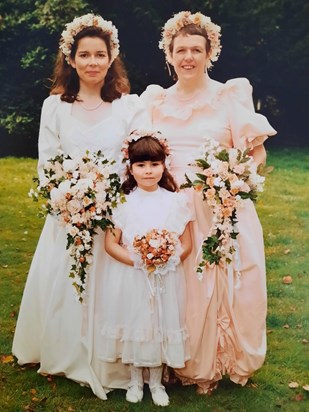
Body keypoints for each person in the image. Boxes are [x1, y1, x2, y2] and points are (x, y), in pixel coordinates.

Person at [12, 13, 148, 400]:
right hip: (69, 215)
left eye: (99, 55)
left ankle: (112, 355)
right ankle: (64, 348)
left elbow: (137, 159)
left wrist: (113, 202)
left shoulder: (128, 106)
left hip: (116, 214)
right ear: (70, 60)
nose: (92, 62)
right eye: (84, 55)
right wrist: (70, 202)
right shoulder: (54, 107)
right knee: (68, 280)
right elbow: (47, 164)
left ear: (111, 59)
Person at [141, 11, 277, 394]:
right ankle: (171, 359)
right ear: (169, 54)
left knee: (220, 284)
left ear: (209, 52)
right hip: (170, 206)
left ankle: (215, 363)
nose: (188, 57)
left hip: (219, 204)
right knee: (173, 284)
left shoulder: (230, 95)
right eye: (180, 49)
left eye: (195, 50)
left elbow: (257, 155)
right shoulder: (154, 100)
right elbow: (143, 155)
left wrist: (234, 180)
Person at [100, 132, 192, 406]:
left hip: (165, 276)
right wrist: (139, 261)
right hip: (131, 277)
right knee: (135, 324)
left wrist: (168, 259)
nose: (148, 171)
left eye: (154, 164)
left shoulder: (175, 201)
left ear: (164, 165)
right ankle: (134, 381)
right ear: (130, 167)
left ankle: (156, 383)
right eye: (141, 165)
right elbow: (110, 244)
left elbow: (185, 243)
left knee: (159, 325)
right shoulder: (122, 202)